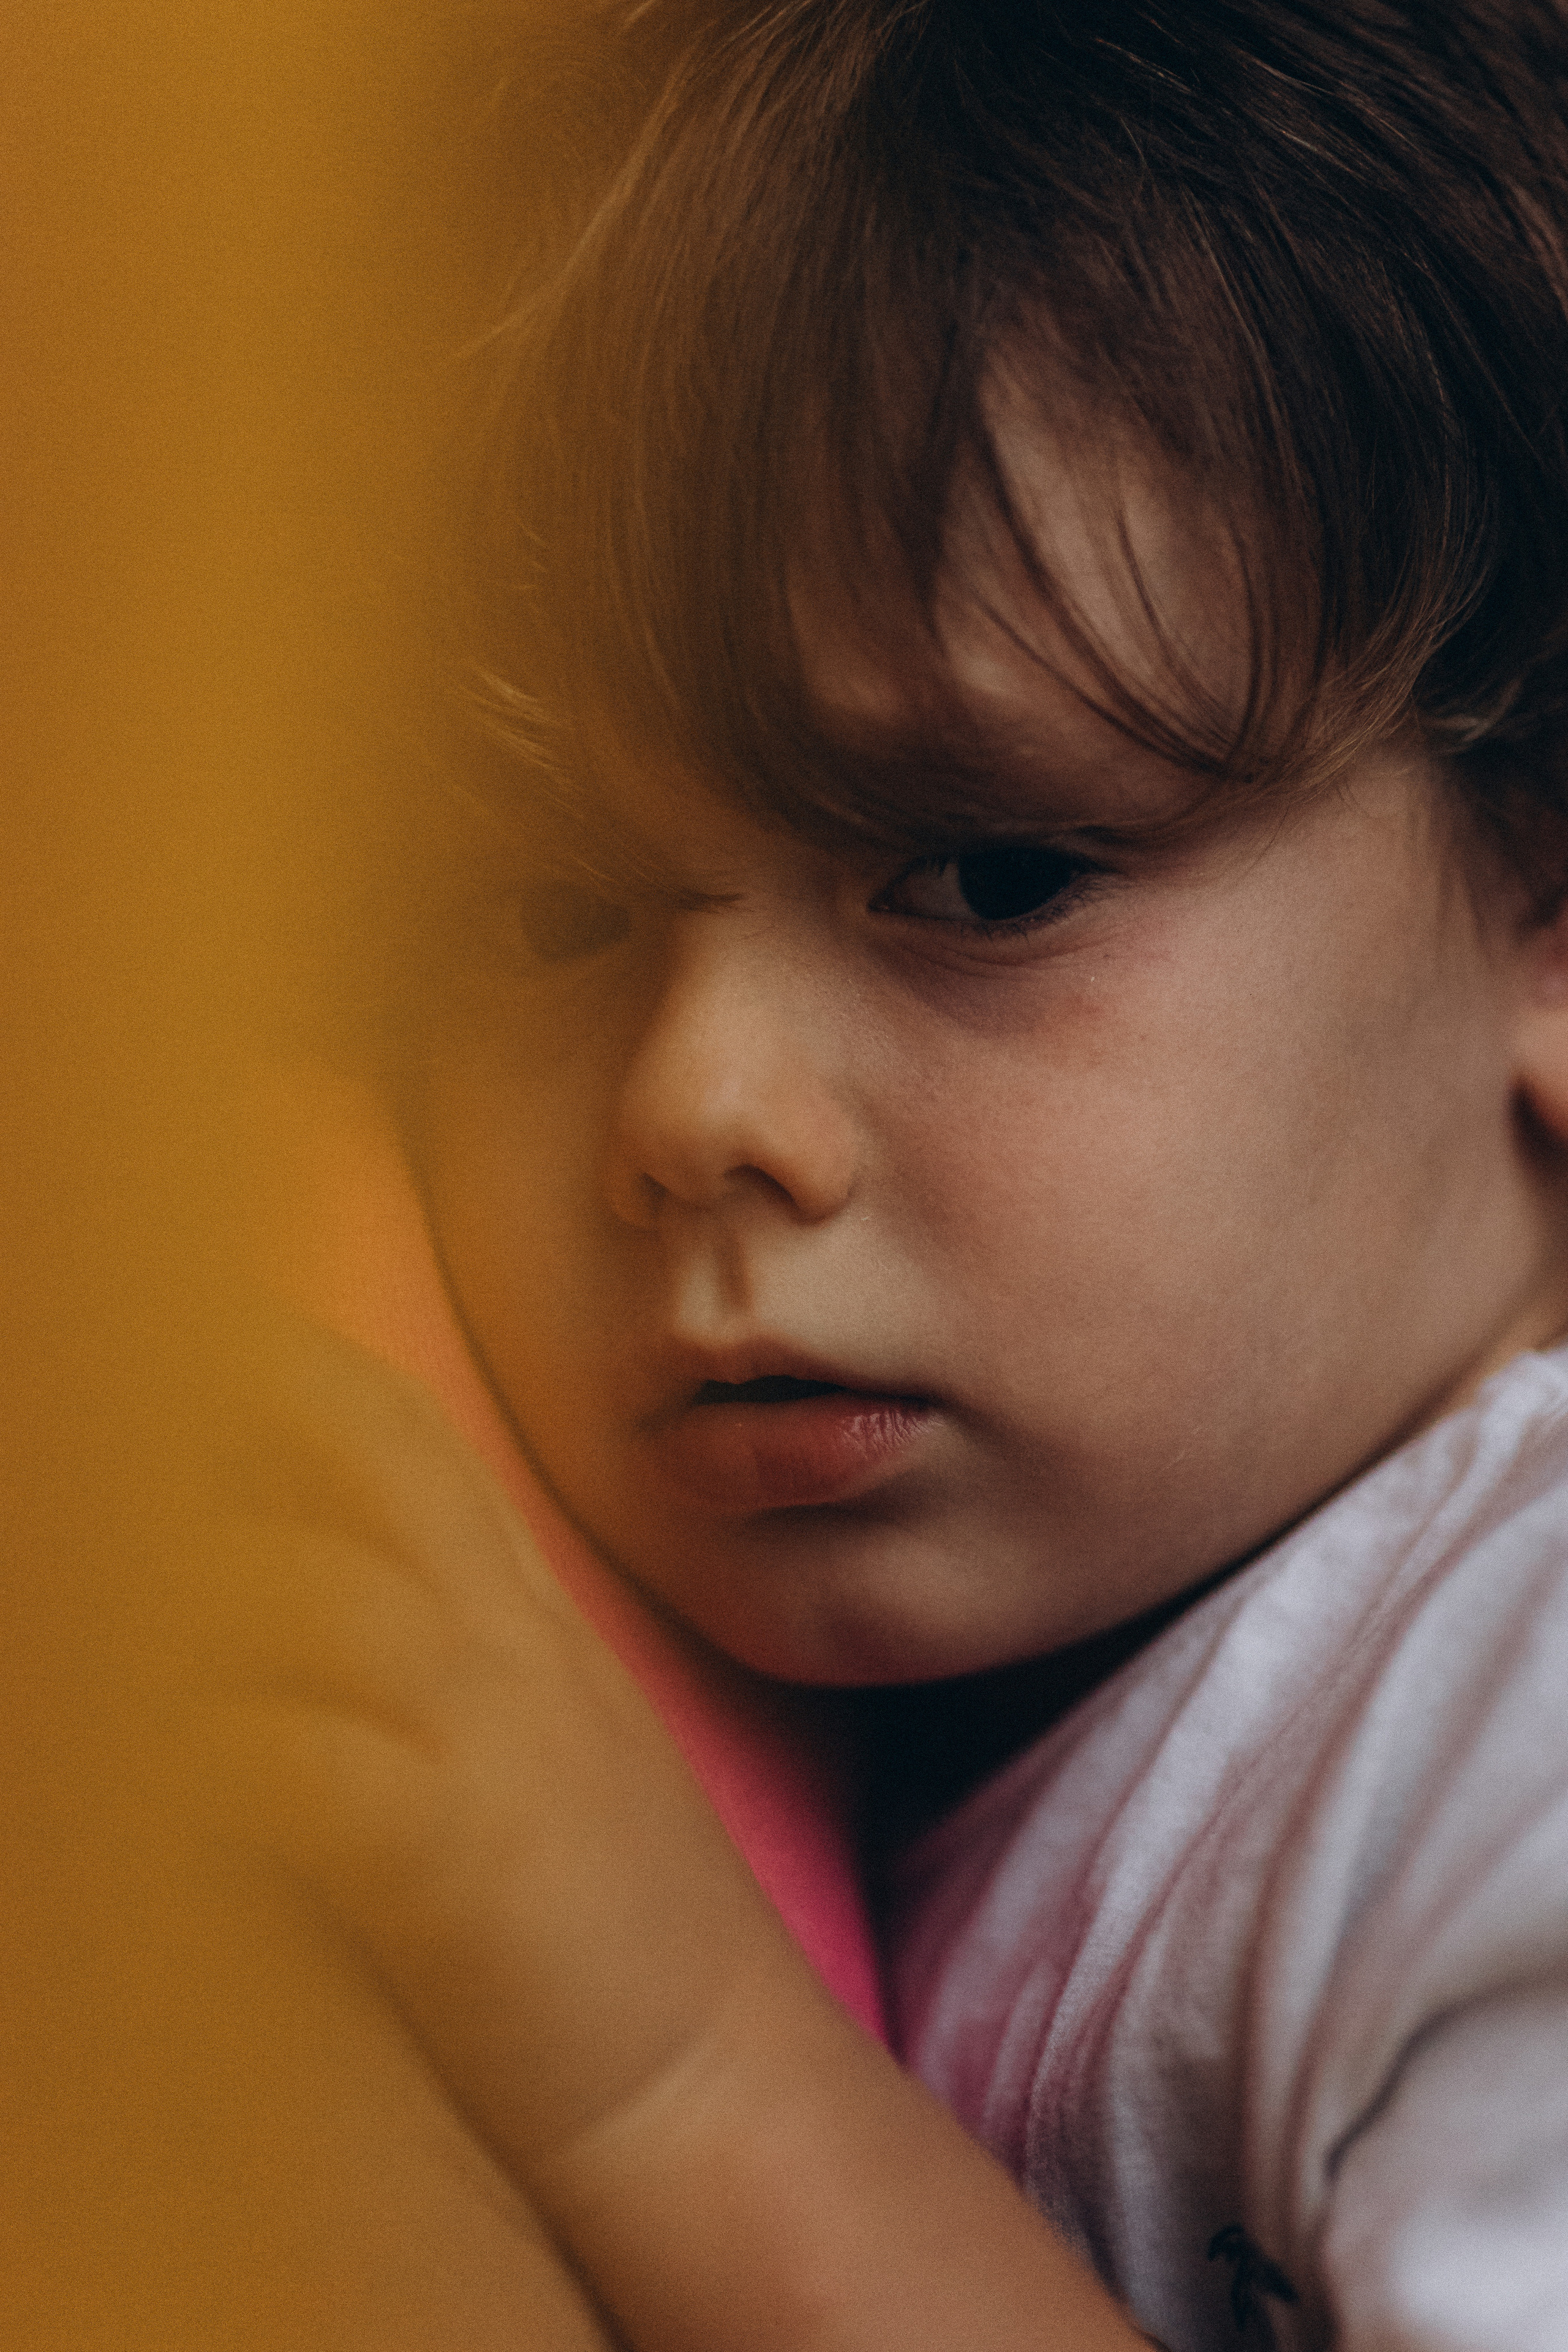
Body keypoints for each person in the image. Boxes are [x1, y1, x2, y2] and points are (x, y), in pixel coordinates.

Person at [211, 2, 1568, 2346]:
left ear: (1543, 912)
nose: (697, 1108)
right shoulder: (1073, 1667)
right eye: (550, 913)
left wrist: (681, 2066)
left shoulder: (1518, 1720)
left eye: (992, 878)